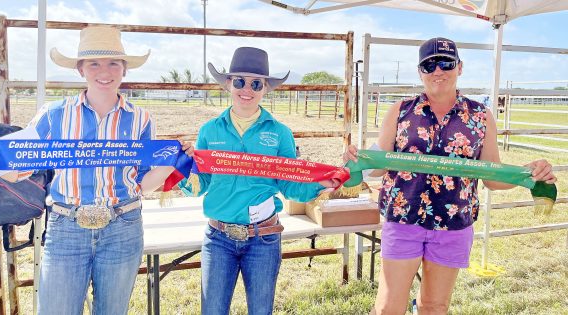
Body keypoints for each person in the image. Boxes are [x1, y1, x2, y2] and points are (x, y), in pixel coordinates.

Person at [0, 26, 192, 315]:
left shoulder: (141, 119)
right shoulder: (54, 115)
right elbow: (17, 170)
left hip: (122, 225)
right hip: (67, 228)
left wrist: (172, 161)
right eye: (94, 63)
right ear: (80, 70)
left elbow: (142, 183)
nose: (105, 71)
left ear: (124, 69)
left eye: (114, 63)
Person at [344, 37, 556, 315]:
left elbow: (492, 176)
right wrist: (357, 161)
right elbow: (378, 166)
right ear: (420, 71)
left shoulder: (481, 116)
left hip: (454, 224)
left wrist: (528, 173)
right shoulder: (401, 110)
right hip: (403, 218)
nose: (438, 71)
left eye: (446, 63)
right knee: (387, 307)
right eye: (429, 65)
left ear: (460, 67)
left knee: (434, 306)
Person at [179, 47, 340, 315]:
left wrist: (320, 185)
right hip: (218, 238)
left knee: (261, 311)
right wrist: (182, 169)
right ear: (229, 84)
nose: (247, 90)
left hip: (262, 238)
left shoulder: (280, 133)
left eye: (256, 83)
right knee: (213, 310)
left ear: (266, 88)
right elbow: (201, 184)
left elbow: (289, 184)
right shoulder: (209, 130)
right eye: (240, 81)